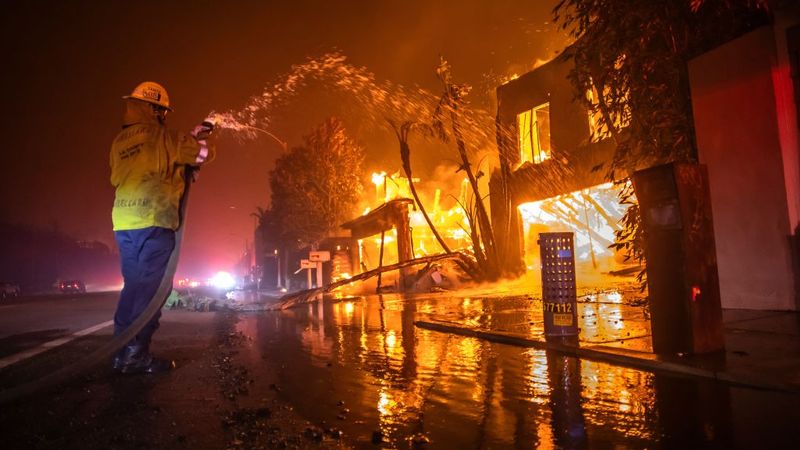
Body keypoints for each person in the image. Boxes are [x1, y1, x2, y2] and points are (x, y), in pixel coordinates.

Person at [110, 81, 215, 374]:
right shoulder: (164, 137)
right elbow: (201, 155)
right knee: (153, 291)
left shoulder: (120, 142)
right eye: (163, 112)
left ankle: (120, 352)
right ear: (155, 110)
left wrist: (188, 139)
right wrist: (200, 138)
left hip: (123, 222)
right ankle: (135, 355)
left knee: (132, 288)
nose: (164, 117)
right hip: (154, 221)